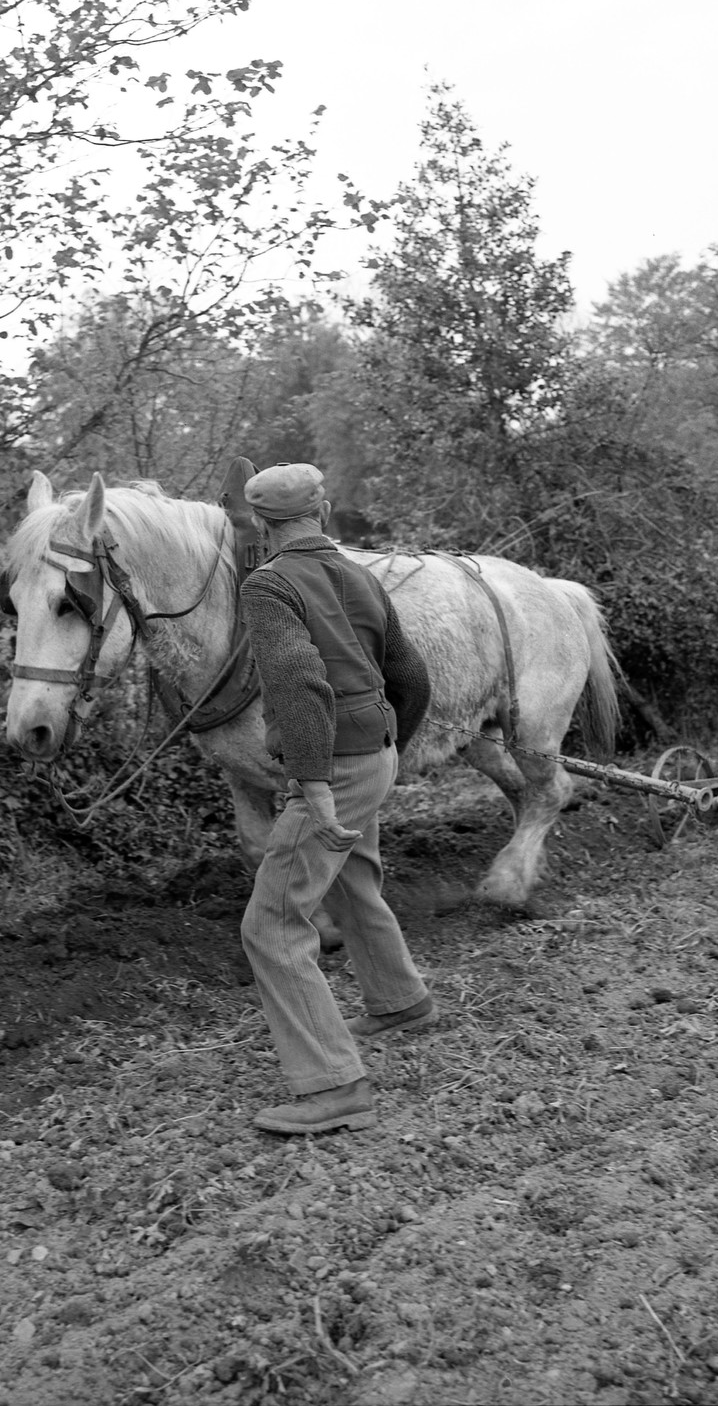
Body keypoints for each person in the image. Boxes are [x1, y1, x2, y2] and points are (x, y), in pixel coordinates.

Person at [237, 462, 435, 1136]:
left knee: (273, 927)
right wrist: (389, 749)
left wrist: (317, 785)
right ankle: (398, 999)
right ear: (324, 509)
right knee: (352, 878)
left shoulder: (268, 585)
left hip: (334, 768)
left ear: (260, 524)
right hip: (373, 751)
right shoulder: (361, 576)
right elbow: (411, 676)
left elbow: (297, 684)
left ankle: (333, 1084)